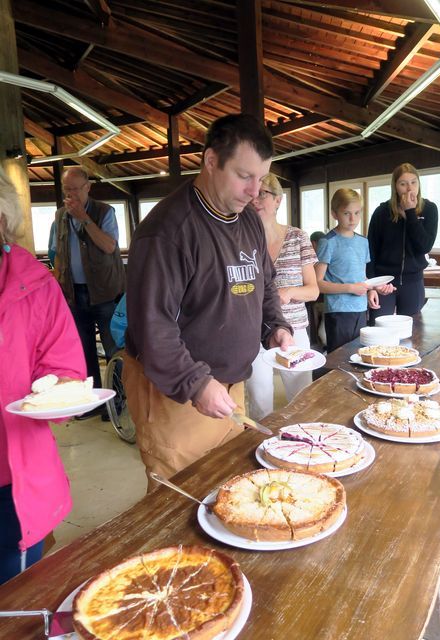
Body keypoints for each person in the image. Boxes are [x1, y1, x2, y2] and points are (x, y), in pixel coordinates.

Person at [123, 114, 294, 489]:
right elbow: (154, 328)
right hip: (177, 395)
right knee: (181, 501)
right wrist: (196, 383)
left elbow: (264, 283)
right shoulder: (168, 231)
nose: (255, 191)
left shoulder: (247, 221)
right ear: (211, 160)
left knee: (229, 490)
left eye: (262, 179)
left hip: (232, 388)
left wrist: (275, 327)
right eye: (244, 175)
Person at [0, 168, 87, 584]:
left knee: (15, 602)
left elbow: (65, 367)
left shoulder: (34, 286)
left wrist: (58, 393)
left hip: (12, 480)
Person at [246, 173, 318, 420]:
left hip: (294, 331)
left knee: (302, 399)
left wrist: (287, 292)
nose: (255, 199)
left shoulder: (297, 237)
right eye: (251, 194)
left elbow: (313, 289)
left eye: (263, 193)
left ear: (278, 200)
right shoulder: (242, 240)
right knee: (259, 401)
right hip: (254, 331)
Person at [51, 167, 125, 408]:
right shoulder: (60, 215)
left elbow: (109, 246)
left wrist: (84, 217)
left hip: (103, 293)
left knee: (113, 348)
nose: (72, 194)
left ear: (88, 187)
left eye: (76, 189)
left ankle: (118, 401)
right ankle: (93, 402)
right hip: (73, 293)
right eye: (67, 189)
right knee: (83, 350)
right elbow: (56, 253)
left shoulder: (105, 211)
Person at [316, 188, 394, 352]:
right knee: (339, 359)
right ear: (334, 213)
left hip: (360, 309)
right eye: (346, 213)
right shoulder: (327, 242)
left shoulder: (363, 242)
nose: (353, 219)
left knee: (359, 355)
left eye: (357, 213)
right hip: (338, 311)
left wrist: (374, 289)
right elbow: (318, 283)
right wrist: (350, 288)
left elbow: (361, 276)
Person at [367, 163, 438, 321]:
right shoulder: (382, 212)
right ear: (395, 187)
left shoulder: (430, 209)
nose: (409, 188)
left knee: (412, 331)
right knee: (380, 328)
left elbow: (425, 246)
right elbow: (370, 250)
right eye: (403, 184)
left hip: (413, 282)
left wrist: (410, 212)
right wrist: (371, 285)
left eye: (413, 182)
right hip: (384, 282)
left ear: (419, 184)